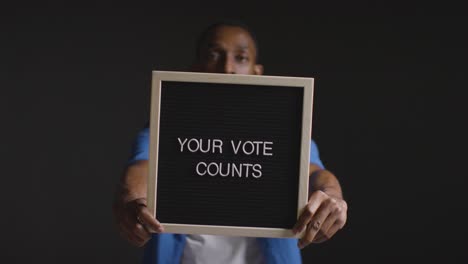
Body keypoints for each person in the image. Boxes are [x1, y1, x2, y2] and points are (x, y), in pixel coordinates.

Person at [113, 21, 348, 263]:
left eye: (241, 58)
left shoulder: (286, 134)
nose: (227, 68)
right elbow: (141, 168)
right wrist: (131, 201)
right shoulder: (163, 129)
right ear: (195, 69)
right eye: (214, 55)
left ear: (257, 72)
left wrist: (333, 198)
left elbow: (315, 174)